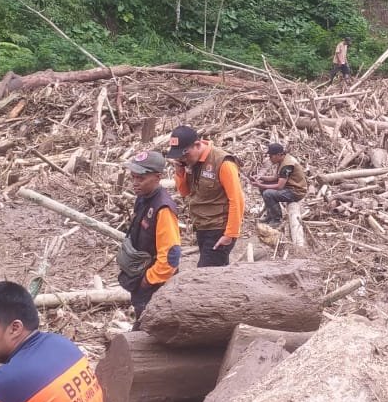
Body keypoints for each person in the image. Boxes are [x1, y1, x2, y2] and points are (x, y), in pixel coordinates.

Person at [117, 150, 181, 325]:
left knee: (150, 327)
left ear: (158, 177)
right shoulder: (143, 198)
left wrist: (148, 280)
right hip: (140, 273)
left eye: (141, 179)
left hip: (155, 283)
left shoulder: (163, 208)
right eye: (133, 177)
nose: (135, 183)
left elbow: (171, 257)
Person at [166, 125, 243, 267]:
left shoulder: (222, 162)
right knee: (217, 275)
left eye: (185, 154)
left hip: (219, 229)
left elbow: (237, 200)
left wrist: (230, 234)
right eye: (180, 156)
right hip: (202, 226)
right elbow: (185, 192)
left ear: (197, 145)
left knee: (204, 274)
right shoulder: (192, 163)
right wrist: (180, 171)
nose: (183, 159)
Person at [250, 142, 308, 224]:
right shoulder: (283, 160)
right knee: (264, 187)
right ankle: (270, 214)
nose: (270, 158)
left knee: (268, 193)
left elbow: (279, 186)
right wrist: (260, 177)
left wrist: (261, 185)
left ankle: (277, 219)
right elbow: (275, 178)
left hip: (296, 191)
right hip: (290, 186)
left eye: (271, 156)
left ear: (279, 154)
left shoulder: (287, 165)